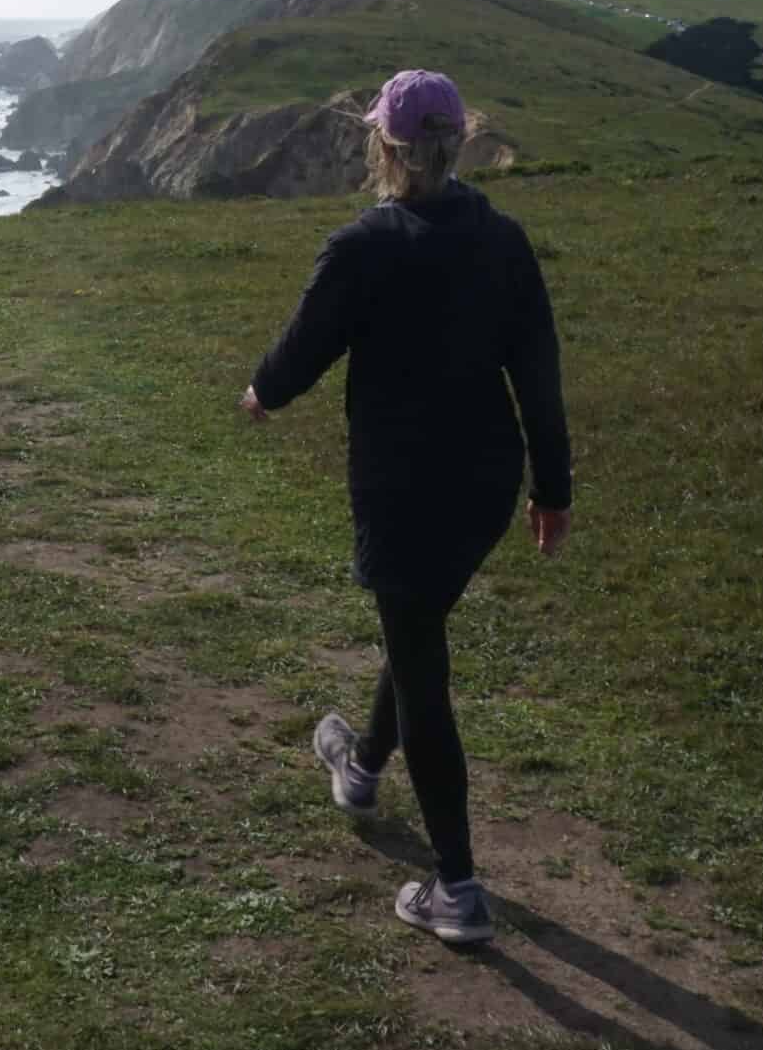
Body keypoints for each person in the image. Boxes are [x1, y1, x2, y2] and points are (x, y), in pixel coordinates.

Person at [239, 68, 571, 946]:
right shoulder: (504, 240)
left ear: (381, 146)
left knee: (421, 666)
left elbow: (301, 351)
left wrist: (261, 393)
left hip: (399, 487)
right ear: (458, 143)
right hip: (482, 489)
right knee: (414, 625)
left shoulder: (364, 246)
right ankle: (358, 765)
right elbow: (535, 370)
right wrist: (553, 489)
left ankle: (456, 887)